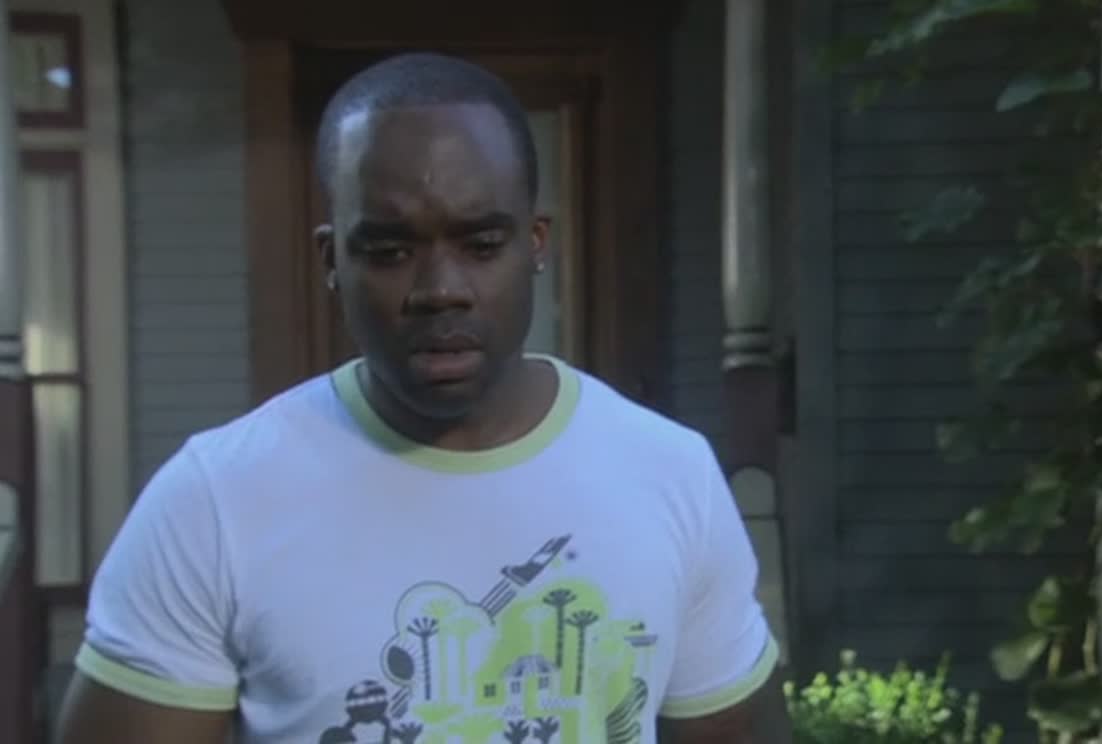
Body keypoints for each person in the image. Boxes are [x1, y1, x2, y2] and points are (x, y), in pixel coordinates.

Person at [55, 52, 789, 744]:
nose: (441, 289)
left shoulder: (669, 474)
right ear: (332, 260)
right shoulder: (215, 502)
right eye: (390, 251)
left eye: (481, 244)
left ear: (535, 244)